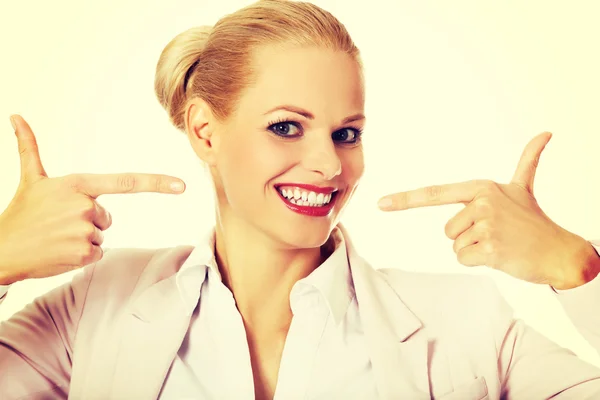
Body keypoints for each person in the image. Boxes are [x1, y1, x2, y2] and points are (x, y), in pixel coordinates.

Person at [1, 0, 600, 398]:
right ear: (205, 131)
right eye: (287, 126)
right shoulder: (92, 312)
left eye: (347, 133)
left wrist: (578, 272)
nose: (329, 163)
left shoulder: (467, 324)